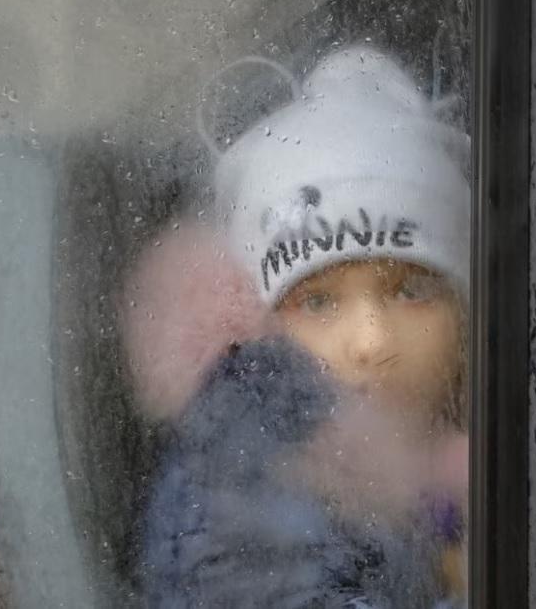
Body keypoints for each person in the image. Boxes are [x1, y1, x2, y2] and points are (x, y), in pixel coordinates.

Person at [123, 46, 471, 607]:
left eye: (412, 290)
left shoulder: (495, 456)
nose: (372, 341)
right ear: (256, 334)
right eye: (318, 302)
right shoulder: (241, 498)